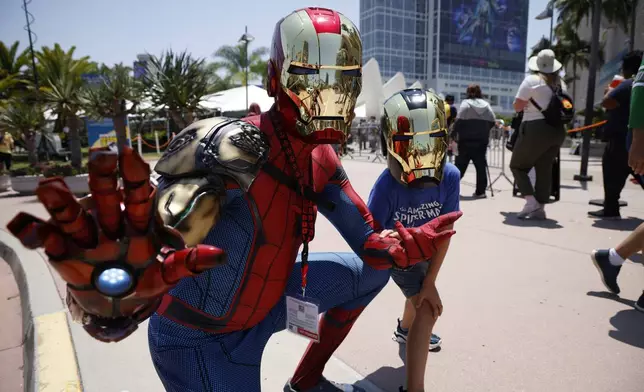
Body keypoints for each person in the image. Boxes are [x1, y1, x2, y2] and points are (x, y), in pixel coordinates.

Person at [7, 8, 462, 392]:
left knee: (369, 275)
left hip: (272, 302)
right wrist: (122, 276)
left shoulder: (320, 158)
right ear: (274, 80)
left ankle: (306, 380)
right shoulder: (234, 147)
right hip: (202, 338)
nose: (326, 100)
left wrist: (404, 252)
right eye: (311, 82)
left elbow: (366, 239)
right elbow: (165, 226)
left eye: (338, 85)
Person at [370, 89, 460, 392]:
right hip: (398, 254)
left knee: (421, 291)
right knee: (428, 308)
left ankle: (404, 330)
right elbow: (370, 233)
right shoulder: (386, 185)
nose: (420, 152)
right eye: (410, 142)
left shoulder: (450, 176)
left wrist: (430, 280)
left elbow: (445, 233)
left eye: (428, 140)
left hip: (426, 253)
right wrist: (388, 239)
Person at [591, 53, 644, 310]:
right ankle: (612, 256)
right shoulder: (630, 84)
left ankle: (612, 257)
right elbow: (608, 103)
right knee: (612, 180)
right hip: (630, 143)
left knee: (613, 180)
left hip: (628, 142)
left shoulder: (625, 84)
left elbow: (607, 103)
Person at [510, 49, 567, 220]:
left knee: (517, 166)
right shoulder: (561, 83)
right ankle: (540, 208)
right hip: (557, 130)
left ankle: (530, 201)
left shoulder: (532, 80)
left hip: (535, 128)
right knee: (544, 168)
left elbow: (517, 106)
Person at [588, 51, 643, 219]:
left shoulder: (628, 83)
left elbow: (607, 101)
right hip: (636, 139)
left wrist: (609, 91)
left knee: (612, 175)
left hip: (620, 140)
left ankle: (610, 209)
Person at [453, 84, 495, 198]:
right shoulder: (486, 105)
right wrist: (484, 130)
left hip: (465, 141)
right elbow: (493, 121)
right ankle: (480, 192)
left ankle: (450, 189)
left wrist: (453, 134)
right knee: (481, 167)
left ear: (467, 92)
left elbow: (458, 121)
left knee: (459, 166)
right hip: (481, 141)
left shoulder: (465, 103)